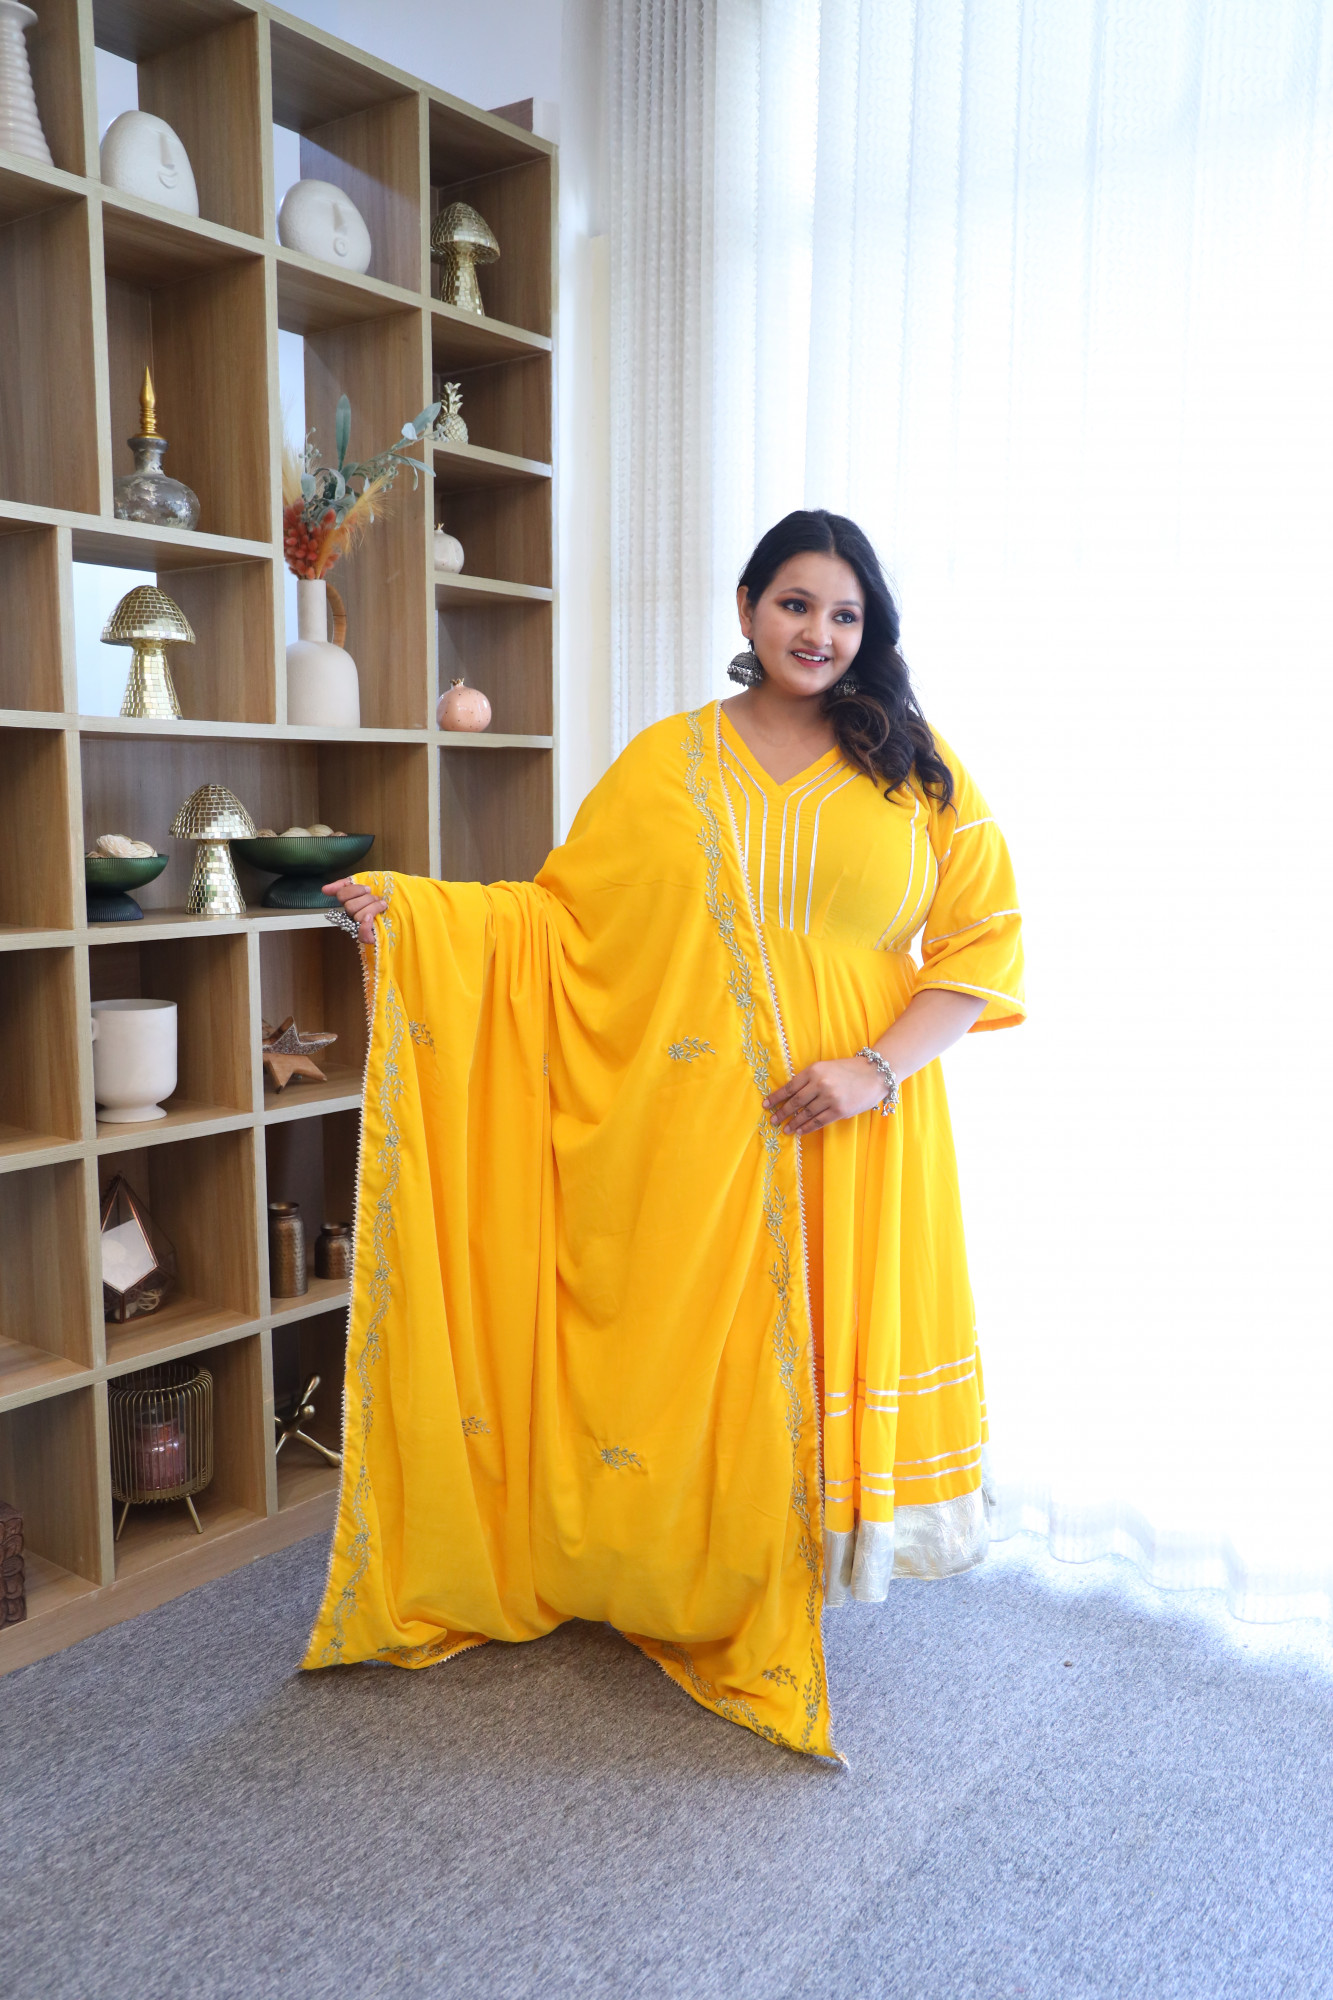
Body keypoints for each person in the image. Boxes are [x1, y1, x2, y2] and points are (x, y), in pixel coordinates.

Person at [309, 509, 1024, 1761]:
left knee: (820, 1327)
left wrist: (872, 1069)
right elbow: (562, 922)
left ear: (870, 632)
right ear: (747, 609)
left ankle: (795, 1568)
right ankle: (686, 1573)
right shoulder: (667, 761)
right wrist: (418, 918)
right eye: (796, 603)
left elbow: (980, 947)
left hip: (855, 1111)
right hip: (697, 1119)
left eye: (845, 613)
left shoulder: (918, 770)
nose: (819, 631)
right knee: (702, 1335)